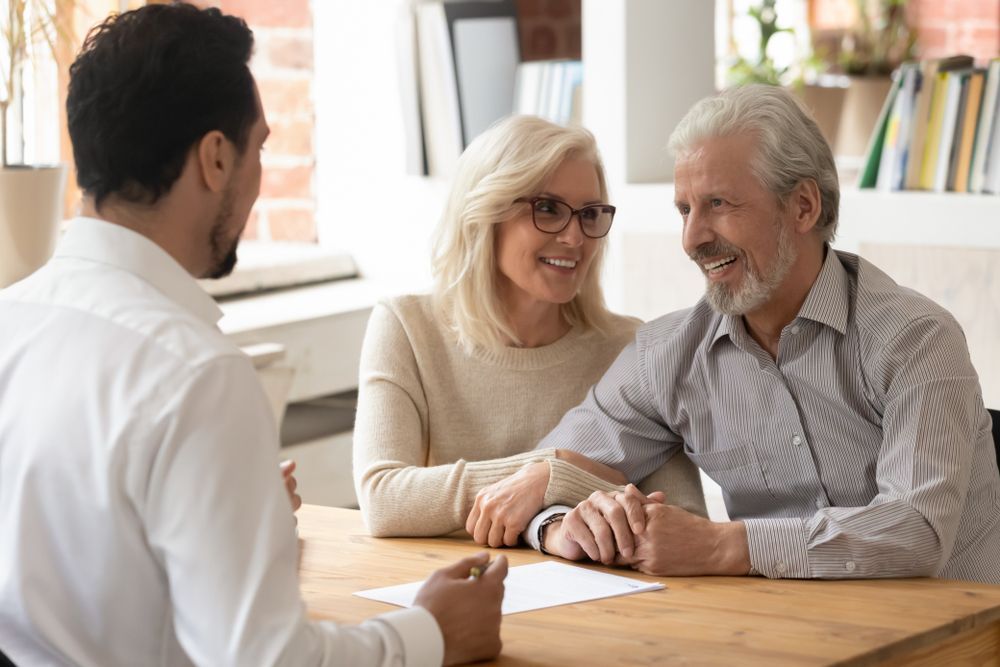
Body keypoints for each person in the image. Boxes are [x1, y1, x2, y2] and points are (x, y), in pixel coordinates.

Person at [0, 5, 507, 666]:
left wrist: (235, 517)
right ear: (215, 158)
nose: (260, 177)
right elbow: (262, 659)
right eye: (260, 146)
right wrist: (431, 632)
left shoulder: (12, 322)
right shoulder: (196, 376)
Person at [498, 84, 1000, 584]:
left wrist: (721, 545)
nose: (692, 238)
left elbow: (917, 533)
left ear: (803, 207)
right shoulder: (667, 356)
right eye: (685, 210)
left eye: (718, 203)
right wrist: (563, 526)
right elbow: (532, 485)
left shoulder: (916, 339)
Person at [352, 115, 705, 543]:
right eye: (548, 209)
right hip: (454, 591)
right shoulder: (407, 328)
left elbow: (681, 517)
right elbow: (383, 499)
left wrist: (547, 482)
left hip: (601, 601)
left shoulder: (632, 347)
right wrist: (554, 465)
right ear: (485, 215)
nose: (576, 238)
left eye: (589, 214)